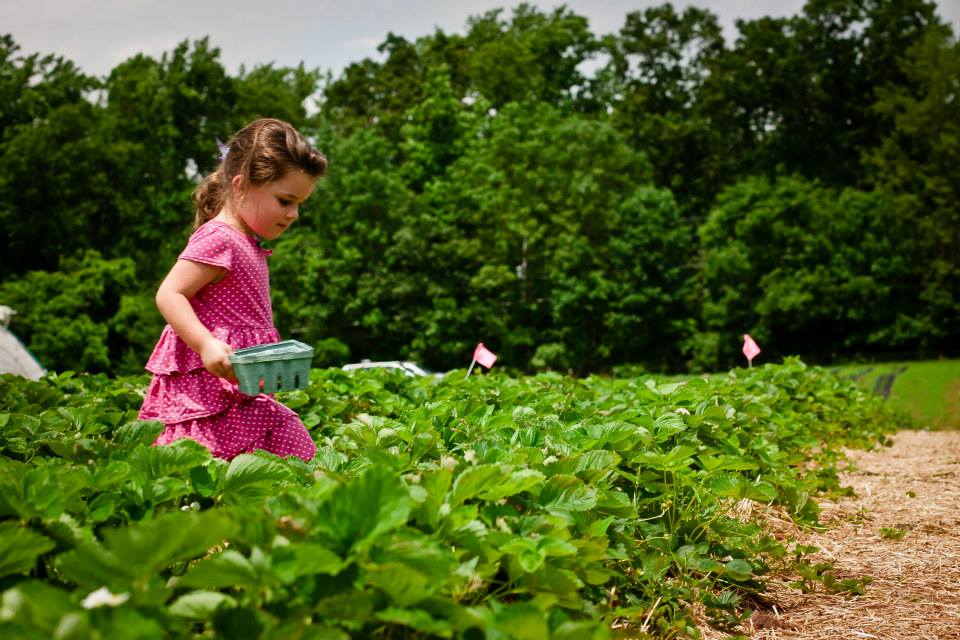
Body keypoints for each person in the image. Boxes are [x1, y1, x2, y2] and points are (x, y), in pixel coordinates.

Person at [138, 118, 326, 462]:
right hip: (203, 395)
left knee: (284, 439)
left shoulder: (245, 243)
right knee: (206, 461)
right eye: (285, 201)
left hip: (232, 390)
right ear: (240, 186)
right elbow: (170, 293)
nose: (294, 214)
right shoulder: (220, 237)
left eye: (299, 204)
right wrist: (205, 342)